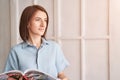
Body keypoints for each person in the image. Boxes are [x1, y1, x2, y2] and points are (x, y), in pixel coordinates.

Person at [4, 5, 69, 80]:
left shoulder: (54, 47)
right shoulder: (16, 51)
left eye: (45, 20)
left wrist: (64, 79)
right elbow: (9, 77)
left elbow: (61, 74)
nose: (43, 24)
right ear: (28, 23)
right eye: (38, 20)